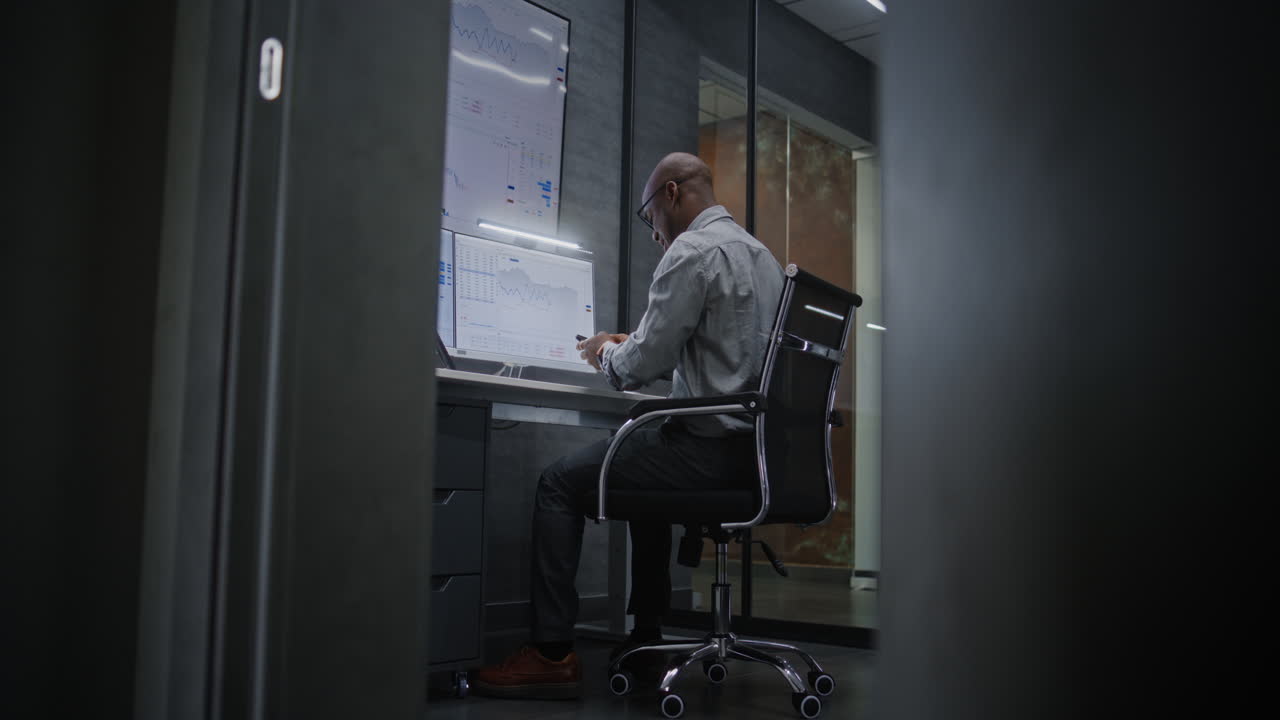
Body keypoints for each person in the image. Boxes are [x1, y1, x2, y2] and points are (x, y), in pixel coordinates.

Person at [472, 152, 784, 699]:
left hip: (707, 454)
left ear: (671, 194)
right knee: (645, 461)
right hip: (754, 457)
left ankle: (551, 653)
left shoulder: (692, 251)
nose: (654, 231)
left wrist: (604, 352)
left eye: (649, 216)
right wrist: (635, 344)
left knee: (558, 483)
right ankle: (646, 638)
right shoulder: (764, 260)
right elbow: (722, 360)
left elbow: (637, 368)